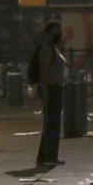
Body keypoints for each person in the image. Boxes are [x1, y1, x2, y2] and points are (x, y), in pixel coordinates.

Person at [35, 20, 67, 166]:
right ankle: (49, 157)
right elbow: (43, 74)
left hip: (56, 88)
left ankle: (45, 157)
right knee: (52, 124)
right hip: (51, 89)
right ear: (48, 34)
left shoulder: (55, 48)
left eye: (59, 32)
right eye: (55, 32)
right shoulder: (47, 49)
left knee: (52, 123)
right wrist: (45, 94)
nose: (59, 35)